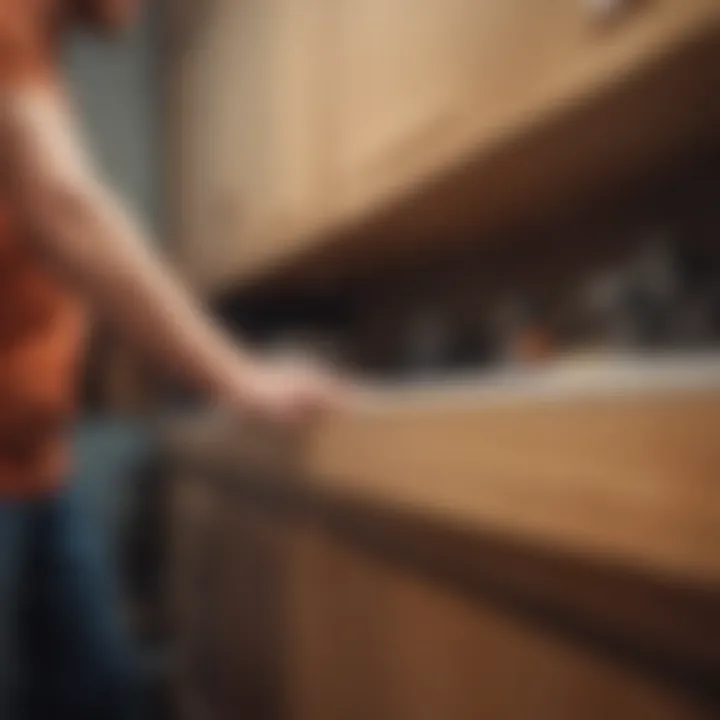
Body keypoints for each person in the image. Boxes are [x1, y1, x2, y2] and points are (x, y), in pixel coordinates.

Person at [0, 1, 345, 717]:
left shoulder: (36, 46)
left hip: (33, 467)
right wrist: (238, 377)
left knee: (102, 692)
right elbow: (65, 209)